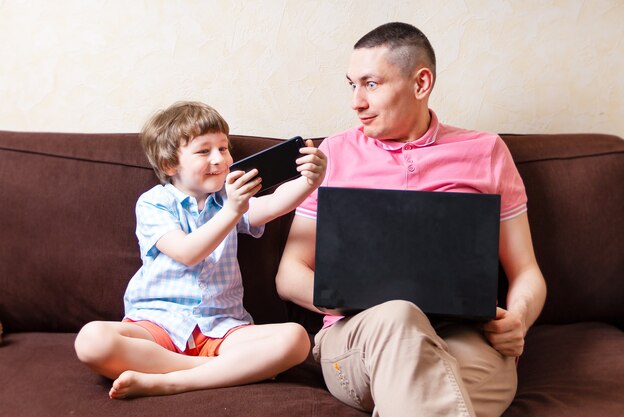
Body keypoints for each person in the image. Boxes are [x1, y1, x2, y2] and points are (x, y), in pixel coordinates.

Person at [275, 22, 547, 417]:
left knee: (417, 385)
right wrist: (356, 300)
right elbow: (289, 274)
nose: (356, 101)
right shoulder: (330, 156)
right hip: (359, 338)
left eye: (370, 84)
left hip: (465, 338)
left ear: (421, 83)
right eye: (351, 84)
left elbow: (526, 270)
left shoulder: (486, 151)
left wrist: (519, 318)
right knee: (398, 316)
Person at [74, 101, 327, 399]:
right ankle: (217, 370)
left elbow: (272, 204)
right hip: (158, 326)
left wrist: (311, 181)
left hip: (222, 327)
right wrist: (233, 209)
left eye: (224, 148)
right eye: (204, 151)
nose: (220, 158)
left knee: (296, 339)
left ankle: (173, 381)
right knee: (92, 340)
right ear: (170, 164)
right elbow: (186, 251)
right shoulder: (155, 203)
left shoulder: (230, 199)